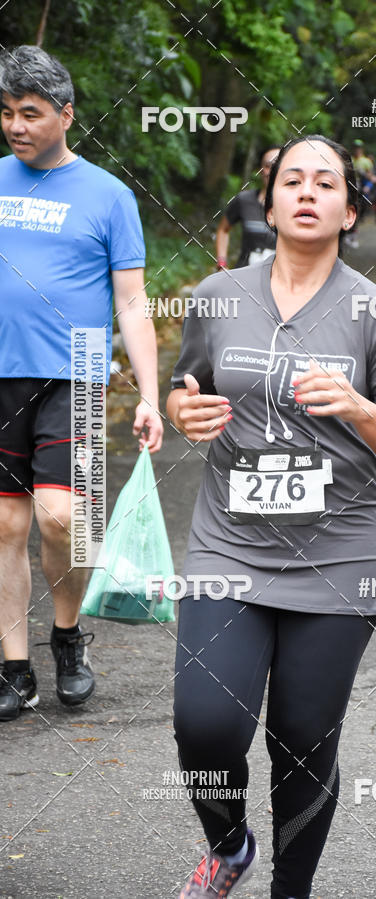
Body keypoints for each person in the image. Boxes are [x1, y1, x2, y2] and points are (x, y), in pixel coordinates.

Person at [167, 134, 376, 899]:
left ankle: (294, 889)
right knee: (205, 724)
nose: (309, 191)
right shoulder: (218, 296)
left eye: (328, 182)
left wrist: (357, 405)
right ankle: (229, 844)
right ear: (270, 199)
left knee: (301, 740)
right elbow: (185, 384)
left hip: (339, 559)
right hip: (229, 547)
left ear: (351, 209)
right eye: (294, 179)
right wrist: (182, 409)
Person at [0, 46, 163, 721]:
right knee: (5, 523)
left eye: (31, 113)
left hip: (80, 370)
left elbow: (132, 301)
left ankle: (68, 637)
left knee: (62, 517)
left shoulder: (108, 195)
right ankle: (15, 668)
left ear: (66, 114)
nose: (15, 125)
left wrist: (151, 393)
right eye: (7, 112)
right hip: (3, 373)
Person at [215, 146, 280, 269]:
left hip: (281, 283)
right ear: (261, 170)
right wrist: (221, 264)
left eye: (278, 165)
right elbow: (223, 230)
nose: (272, 170)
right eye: (268, 166)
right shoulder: (244, 200)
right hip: (244, 277)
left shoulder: (297, 205)